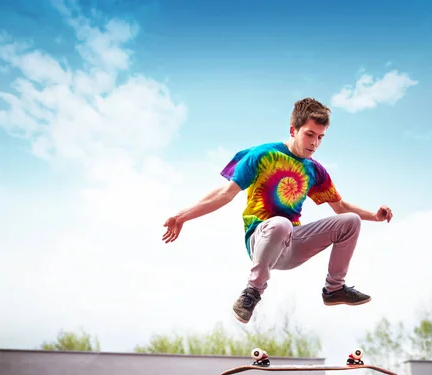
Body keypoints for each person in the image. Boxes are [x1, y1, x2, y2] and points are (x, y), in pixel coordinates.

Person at [162, 97, 393, 324]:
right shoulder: (263, 155)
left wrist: (374, 216)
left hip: (292, 244)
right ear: (293, 130)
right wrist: (181, 216)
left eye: (320, 138)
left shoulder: (315, 170)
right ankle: (251, 293)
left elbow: (340, 207)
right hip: (261, 239)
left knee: (350, 220)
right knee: (280, 223)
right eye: (309, 135)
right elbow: (225, 193)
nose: (314, 143)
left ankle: (334, 289)